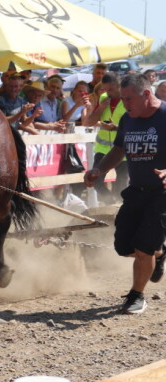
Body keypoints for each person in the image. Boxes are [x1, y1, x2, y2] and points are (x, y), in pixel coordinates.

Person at [83, 73, 166, 315]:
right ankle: (159, 253)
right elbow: (118, 150)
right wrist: (99, 169)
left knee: (143, 248)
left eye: (129, 99)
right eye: (122, 98)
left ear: (146, 94)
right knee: (123, 246)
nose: (124, 103)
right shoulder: (128, 118)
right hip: (136, 191)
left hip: (162, 194)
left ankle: (136, 296)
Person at [85, 72, 127, 203]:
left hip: (123, 150)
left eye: (111, 89)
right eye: (105, 89)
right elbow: (90, 122)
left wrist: (115, 127)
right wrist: (101, 108)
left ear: (119, 85)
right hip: (103, 149)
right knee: (96, 181)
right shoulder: (103, 98)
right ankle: (111, 204)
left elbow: (135, 124)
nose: (108, 92)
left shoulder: (128, 99)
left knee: (121, 186)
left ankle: (119, 208)